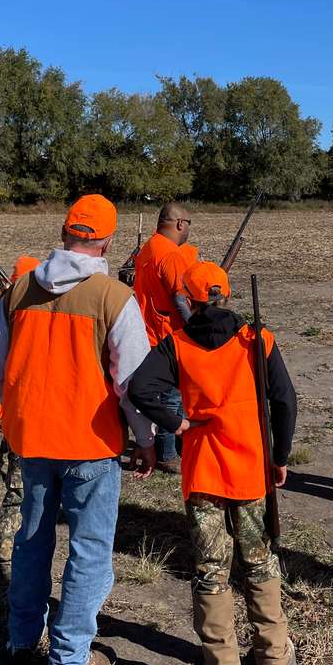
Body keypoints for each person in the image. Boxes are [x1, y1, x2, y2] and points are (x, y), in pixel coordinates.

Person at [0, 194, 155, 665]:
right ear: (106, 239)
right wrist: (144, 439)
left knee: (31, 541)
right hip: (91, 446)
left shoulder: (16, 292)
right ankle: (67, 662)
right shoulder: (114, 297)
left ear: (64, 231)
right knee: (89, 550)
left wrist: (21, 415)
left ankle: (19, 644)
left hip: (32, 443)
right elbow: (132, 384)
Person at [128, 261, 298, 665]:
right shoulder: (255, 339)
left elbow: (140, 389)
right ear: (226, 295)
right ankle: (274, 661)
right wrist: (279, 457)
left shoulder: (177, 345)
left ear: (189, 298)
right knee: (260, 564)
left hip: (203, 472)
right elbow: (284, 399)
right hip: (252, 471)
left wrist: (176, 421)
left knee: (210, 572)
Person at [0, 255, 40, 576]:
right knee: (24, 490)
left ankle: (6, 552)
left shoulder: (9, 306)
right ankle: (7, 553)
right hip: (29, 412)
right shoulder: (41, 311)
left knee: (20, 490)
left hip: (21, 410)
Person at [133, 202, 200, 473]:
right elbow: (180, 299)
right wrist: (197, 327)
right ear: (180, 224)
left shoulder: (148, 247)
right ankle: (167, 454)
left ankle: (169, 446)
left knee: (164, 395)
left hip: (147, 332)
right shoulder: (171, 255)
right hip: (168, 334)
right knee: (171, 397)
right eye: (189, 226)